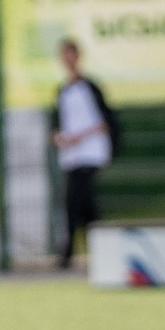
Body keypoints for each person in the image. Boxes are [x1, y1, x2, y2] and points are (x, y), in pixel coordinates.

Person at [50, 39, 118, 269]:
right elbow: (58, 123)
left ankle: (70, 253)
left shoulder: (91, 88)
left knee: (76, 200)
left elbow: (105, 122)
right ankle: (98, 250)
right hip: (72, 155)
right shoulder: (62, 90)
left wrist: (81, 136)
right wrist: (59, 136)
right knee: (82, 204)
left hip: (90, 152)